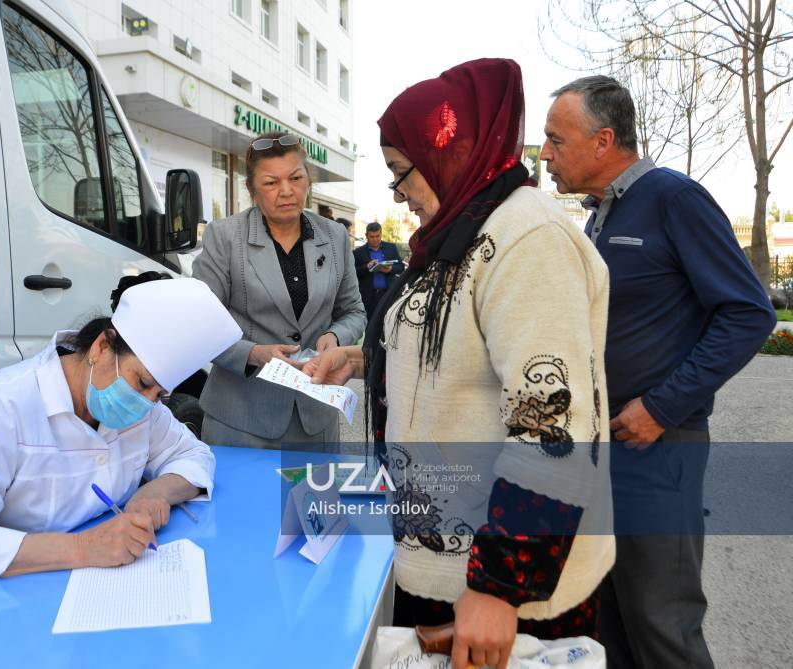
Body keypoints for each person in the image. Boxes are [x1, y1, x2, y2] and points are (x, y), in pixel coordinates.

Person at [304, 59, 615, 669]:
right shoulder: (462, 230)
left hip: (503, 590)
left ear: (447, 153)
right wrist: (362, 360)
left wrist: (499, 588)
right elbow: (454, 352)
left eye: (401, 172)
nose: (397, 193)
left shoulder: (528, 239)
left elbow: (552, 428)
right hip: (446, 557)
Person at [541, 76, 776, 669]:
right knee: (611, 626)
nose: (545, 154)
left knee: (661, 626)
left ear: (603, 141)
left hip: (656, 449)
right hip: (604, 451)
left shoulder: (675, 199)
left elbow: (749, 314)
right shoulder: (601, 215)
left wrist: (662, 406)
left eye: (555, 140)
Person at [0, 276, 242, 631]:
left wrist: (154, 493)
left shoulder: (143, 408)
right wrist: (84, 548)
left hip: (59, 597)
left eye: (159, 394)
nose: (146, 403)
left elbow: (194, 454)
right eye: (142, 383)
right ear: (101, 347)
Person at [193, 131, 366, 449]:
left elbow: (354, 311)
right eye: (271, 182)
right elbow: (200, 326)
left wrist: (336, 336)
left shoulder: (334, 236)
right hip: (241, 420)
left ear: (308, 180)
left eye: (296, 178)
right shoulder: (225, 237)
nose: (286, 191)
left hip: (316, 418)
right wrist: (254, 354)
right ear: (252, 189)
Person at [353, 221, 405, 319]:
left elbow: (401, 267)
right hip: (368, 296)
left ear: (381, 234)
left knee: (388, 321)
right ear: (366, 235)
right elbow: (353, 273)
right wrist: (366, 267)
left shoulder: (391, 248)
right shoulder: (358, 252)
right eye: (372, 237)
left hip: (388, 294)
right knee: (370, 323)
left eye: (378, 236)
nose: (375, 239)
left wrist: (390, 269)